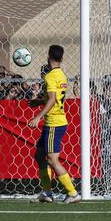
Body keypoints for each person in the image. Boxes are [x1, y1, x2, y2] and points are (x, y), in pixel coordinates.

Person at [28, 45, 81, 204]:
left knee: (52, 159)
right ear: (62, 58)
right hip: (56, 121)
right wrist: (39, 101)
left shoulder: (50, 76)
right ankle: (47, 193)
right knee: (39, 155)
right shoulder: (61, 75)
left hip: (53, 123)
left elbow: (52, 99)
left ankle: (72, 193)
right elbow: (55, 98)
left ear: (48, 55)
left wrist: (37, 117)